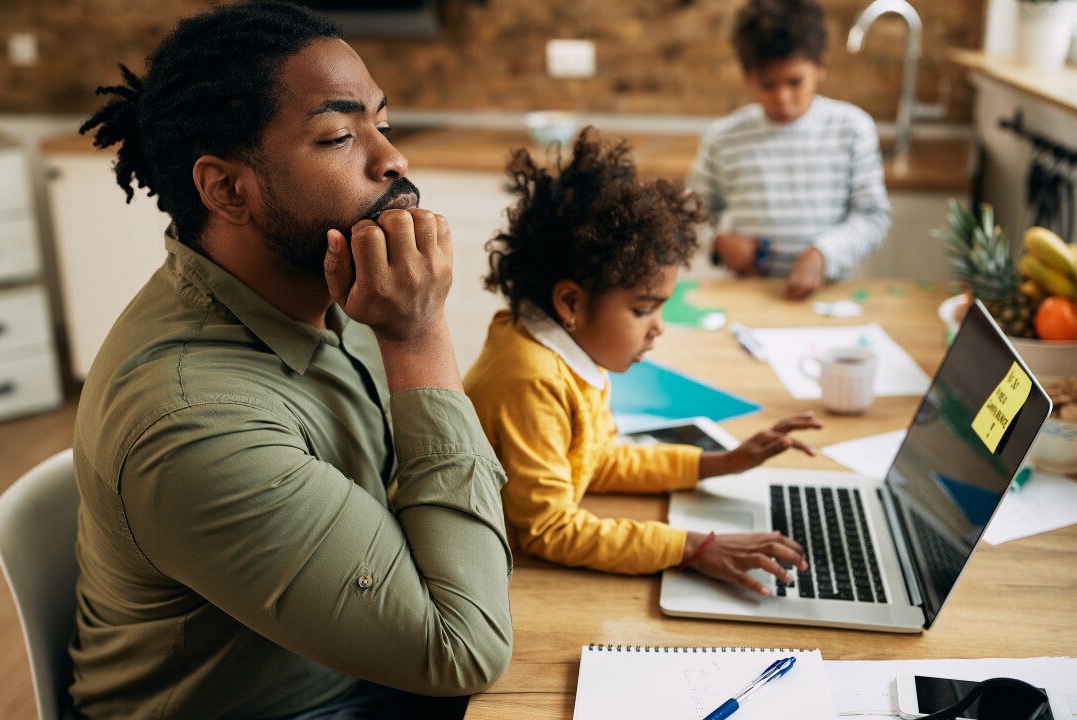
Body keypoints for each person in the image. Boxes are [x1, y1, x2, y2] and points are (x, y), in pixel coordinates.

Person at [68, 3, 512, 718]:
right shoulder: (189, 423)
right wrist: (418, 338)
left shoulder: (335, 289)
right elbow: (463, 651)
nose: (391, 159)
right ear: (227, 189)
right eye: (339, 135)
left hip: (360, 661)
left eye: (383, 123)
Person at [463, 128, 820, 592]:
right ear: (571, 303)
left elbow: (597, 461)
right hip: (489, 576)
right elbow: (548, 530)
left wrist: (719, 463)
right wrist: (693, 547)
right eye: (643, 309)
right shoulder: (533, 378)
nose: (659, 327)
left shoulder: (569, 352)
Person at [690, 0, 892, 300]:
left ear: (820, 66)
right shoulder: (722, 139)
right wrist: (719, 242)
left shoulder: (853, 129)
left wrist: (824, 254)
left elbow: (873, 215)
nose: (782, 98)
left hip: (827, 296)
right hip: (748, 296)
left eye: (795, 82)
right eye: (767, 84)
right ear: (747, 77)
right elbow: (690, 213)